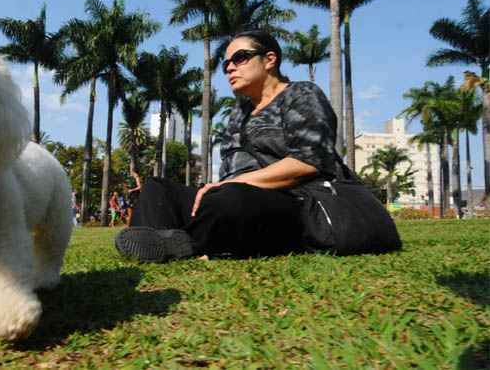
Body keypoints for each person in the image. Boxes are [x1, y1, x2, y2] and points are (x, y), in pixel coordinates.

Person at [115, 30, 342, 262]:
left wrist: (229, 185)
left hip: (290, 201)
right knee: (156, 188)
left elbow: (308, 163)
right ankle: (158, 243)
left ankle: (188, 243)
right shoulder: (239, 113)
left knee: (231, 199)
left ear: (270, 59)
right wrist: (219, 187)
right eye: (226, 65)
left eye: (240, 58)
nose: (230, 68)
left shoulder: (301, 93)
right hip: (228, 198)